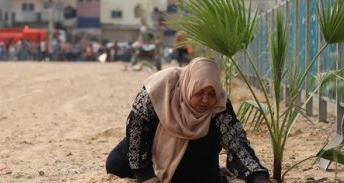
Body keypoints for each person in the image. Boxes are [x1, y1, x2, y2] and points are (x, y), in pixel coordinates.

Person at [106, 57, 271, 183]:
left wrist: (258, 176)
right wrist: (145, 175)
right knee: (114, 166)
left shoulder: (220, 103)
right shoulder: (159, 89)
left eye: (211, 94)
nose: (206, 100)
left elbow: (236, 143)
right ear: (189, 86)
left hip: (195, 153)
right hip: (150, 148)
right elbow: (136, 128)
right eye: (199, 93)